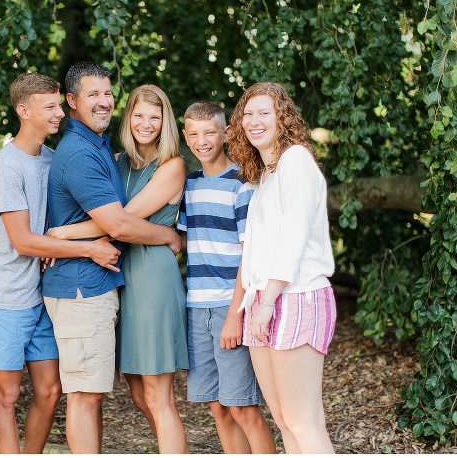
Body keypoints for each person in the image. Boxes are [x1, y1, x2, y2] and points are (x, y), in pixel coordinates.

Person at [42, 61, 182, 454]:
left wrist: (64, 234)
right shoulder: (100, 155)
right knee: (122, 395)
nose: (104, 101)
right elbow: (118, 223)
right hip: (102, 281)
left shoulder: (152, 161)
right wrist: (63, 240)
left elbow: (121, 221)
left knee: (151, 396)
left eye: (107, 93)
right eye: (94, 94)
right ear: (72, 101)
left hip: (141, 279)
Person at [0, 73, 122, 453]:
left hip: (43, 293)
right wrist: (89, 249)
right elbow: (24, 241)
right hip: (6, 296)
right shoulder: (7, 167)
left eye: (60, 104)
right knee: (6, 395)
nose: (61, 113)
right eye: (51, 107)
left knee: (50, 390)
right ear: (24, 111)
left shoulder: (52, 159)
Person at [227, 82, 336, 454]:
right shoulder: (265, 174)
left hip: (295, 296)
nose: (254, 121)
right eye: (248, 114)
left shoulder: (296, 161)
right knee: (285, 420)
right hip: (263, 298)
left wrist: (268, 301)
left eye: (265, 113)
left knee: (303, 420)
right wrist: (258, 301)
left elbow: (293, 237)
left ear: (282, 118)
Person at [177, 100, 276, 454]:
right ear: (185, 136)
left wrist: (235, 315)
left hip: (229, 306)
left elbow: (250, 256)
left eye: (209, 133)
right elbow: (183, 240)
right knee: (217, 406)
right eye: (193, 134)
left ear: (227, 133)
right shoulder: (189, 184)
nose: (201, 141)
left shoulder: (241, 185)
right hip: (196, 306)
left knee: (241, 407)